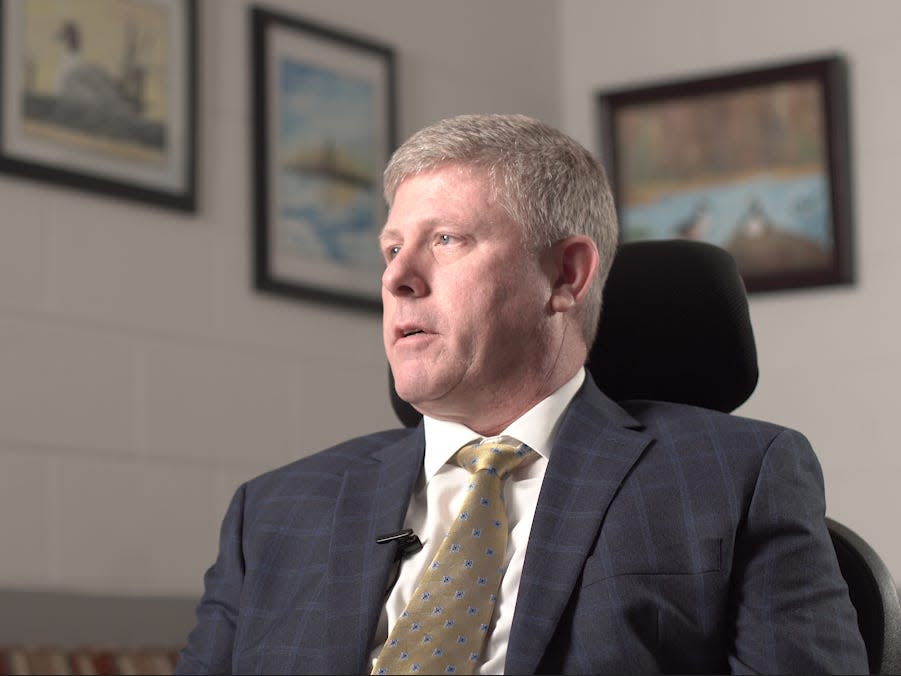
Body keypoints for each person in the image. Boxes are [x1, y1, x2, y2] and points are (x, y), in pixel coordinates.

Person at [175, 114, 867, 675]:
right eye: (391, 249)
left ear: (566, 275)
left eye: (445, 239)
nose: (398, 280)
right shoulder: (273, 510)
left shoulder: (732, 478)